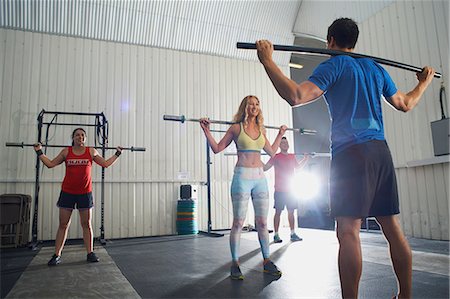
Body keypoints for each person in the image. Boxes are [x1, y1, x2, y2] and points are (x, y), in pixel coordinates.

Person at [256, 18, 435, 298]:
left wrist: (267, 61)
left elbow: (296, 95)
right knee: (391, 226)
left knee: (348, 232)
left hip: (351, 154)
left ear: (330, 41)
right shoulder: (374, 68)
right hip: (380, 152)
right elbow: (405, 103)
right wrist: (423, 83)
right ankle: (405, 296)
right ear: (354, 41)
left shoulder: (334, 64)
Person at [200, 95, 287, 280]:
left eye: (257, 104)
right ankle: (235, 263)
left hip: (259, 178)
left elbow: (272, 151)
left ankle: (266, 261)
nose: (254, 107)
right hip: (242, 178)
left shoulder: (261, 130)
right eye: (250, 104)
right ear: (244, 107)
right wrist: (206, 131)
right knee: (238, 223)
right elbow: (216, 148)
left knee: (263, 223)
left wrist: (280, 134)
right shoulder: (236, 128)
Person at [33, 128, 123, 266]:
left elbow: (105, 164)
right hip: (67, 193)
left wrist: (117, 153)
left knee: (86, 224)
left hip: (85, 193)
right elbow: (50, 164)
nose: (80, 137)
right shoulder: (66, 152)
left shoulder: (91, 151)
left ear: (85, 138)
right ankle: (57, 254)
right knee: (63, 224)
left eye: (82, 135)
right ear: (73, 138)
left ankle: (90, 253)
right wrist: (39, 151)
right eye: (77, 135)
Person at [263, 137, 309, 243]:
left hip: (291, 190)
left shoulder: (292, 157)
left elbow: (298, 168)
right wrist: (254, 159)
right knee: (278, 212)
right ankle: (276, 235)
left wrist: (305, 159)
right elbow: (265, 168)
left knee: (291, 212)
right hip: (279, 190)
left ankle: (292, 234)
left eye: (286, 142)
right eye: (282, 143)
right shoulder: (276, 157)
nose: (285, 144)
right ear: (279, 145)